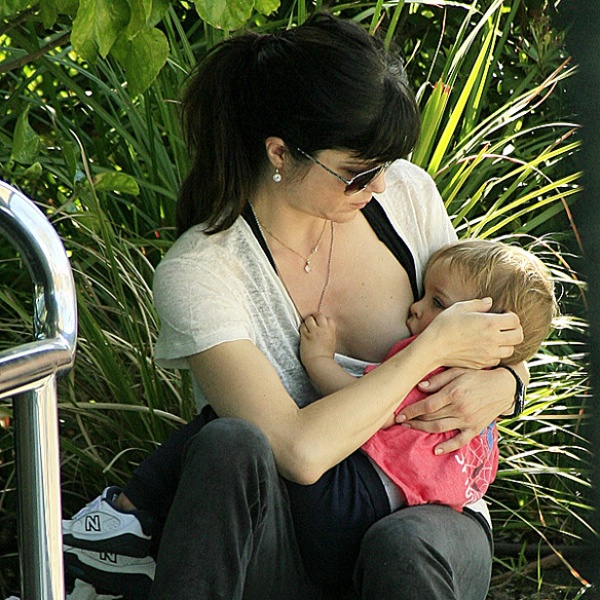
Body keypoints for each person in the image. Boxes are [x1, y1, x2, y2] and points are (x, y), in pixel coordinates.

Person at [62, 12, 528, 600]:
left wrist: (509, 382)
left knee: (403, 546)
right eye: (357, 172)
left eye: (384, 166)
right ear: (280, 153)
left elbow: (494, 326)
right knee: (228, 443)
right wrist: (429, 350)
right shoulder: (204, 271)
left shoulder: (407, 198)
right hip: (289, 539)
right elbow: (298, 454)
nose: (379, 187)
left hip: (427, 520)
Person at [299, 239, 556, 513]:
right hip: (444, 503)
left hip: (373, 487)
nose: (415, 306)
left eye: (437, 302)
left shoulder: (438, 366)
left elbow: (368, 409)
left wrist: (319, 360)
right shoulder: (486, 374)